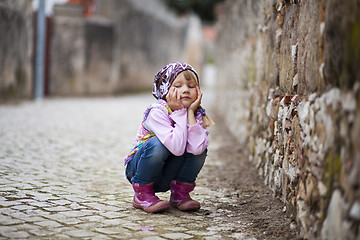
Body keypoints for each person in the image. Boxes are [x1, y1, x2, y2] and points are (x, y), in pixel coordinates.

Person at [124, 62, 214, 213]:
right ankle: (141, 195)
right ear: (165, 88)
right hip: (139, 171)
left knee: (201, 148)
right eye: (177, 86)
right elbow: (177, 149)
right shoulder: (157, 112)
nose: (185, 90)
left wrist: (190, 113)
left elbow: (197, 149)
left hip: (166, 175)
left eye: (191, 86)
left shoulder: (195, 114)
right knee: (157, 144)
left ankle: (180, 194)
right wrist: (180, 113)